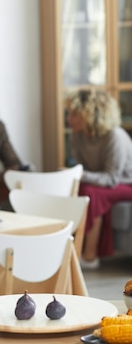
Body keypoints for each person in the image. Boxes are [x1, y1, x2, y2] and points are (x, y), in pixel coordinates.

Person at [65, 88, 132, 269]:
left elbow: (111, 178)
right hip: (101, 183)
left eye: (74, 114)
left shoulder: (114, 136)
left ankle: (89, 255)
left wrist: (81, 174)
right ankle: (69, 250)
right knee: (76, 189)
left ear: (89, 114)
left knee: (91, 193)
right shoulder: (77, 136)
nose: (68, 119)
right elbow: (82, 169)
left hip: (125, 183)